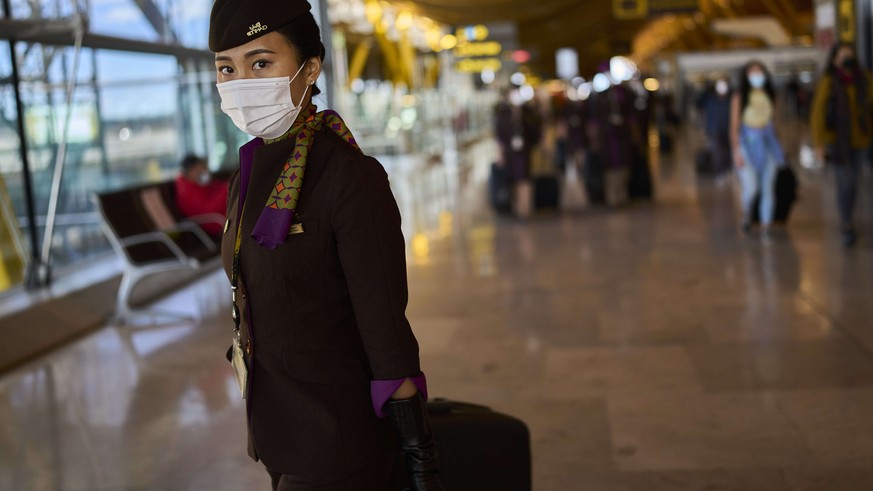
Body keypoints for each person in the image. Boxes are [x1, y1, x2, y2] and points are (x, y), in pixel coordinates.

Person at [208, 1, 444, 490]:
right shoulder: (247, 177)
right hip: (274, 428)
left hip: (338, 439)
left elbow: (384, 326)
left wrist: (419, 453)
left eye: (260, 63)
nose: (240, 83)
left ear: (309, 67)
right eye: (226, 68)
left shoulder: (350, 178)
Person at [810, 43, 873, 247]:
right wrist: (818, 143)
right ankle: (846, 223)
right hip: (836, 142)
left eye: (850, 54)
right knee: (845, 182)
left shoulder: (864, 79)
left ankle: (849, 216)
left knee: (854, 182)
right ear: (835, 59)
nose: (847, 58)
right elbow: (817, 114)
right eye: (843, 55)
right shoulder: (829, 81)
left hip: (861, 140)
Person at [730, 60, 785, 238]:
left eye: (759, 72)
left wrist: (781, 149)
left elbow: (776, 123)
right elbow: (734, 126)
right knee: (751, 186)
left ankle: (766, 224)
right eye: (752, 72)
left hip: (768, 143)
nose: (757, 76)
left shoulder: (772, 95)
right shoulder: (740, 97)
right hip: (748, 144)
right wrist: (737, 151)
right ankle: (746, 213)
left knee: (768, 187)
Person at [174, 154, 228, 236]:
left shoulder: (201, 185)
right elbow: (210, 210)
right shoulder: (186, 192)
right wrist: (228, 189)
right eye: (200, 170)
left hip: (226, 218)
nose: (204, 172)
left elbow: (218, 187)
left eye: (205, 168)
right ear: (190, 171)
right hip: (217, 226)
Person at [702, 76, 733, 185]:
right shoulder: (710, 99)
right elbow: (705, 114)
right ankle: (719, 173)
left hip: (728, 128)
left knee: (728, 151)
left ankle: (728, 169)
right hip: (714, 130)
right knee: (717, 152)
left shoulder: (731, 100)